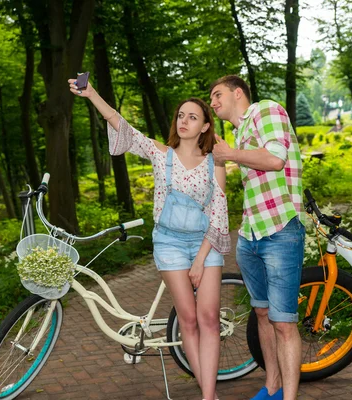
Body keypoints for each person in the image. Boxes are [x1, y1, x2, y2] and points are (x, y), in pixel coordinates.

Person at [69, 79, 230, 400]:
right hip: (169, 245)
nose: (184, 121)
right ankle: (209, 397)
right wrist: (92, 94)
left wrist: (200, 260)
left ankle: (208, 395)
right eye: (180, 115)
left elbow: (219, 213)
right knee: (187, 319)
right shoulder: (161, 154)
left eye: (192, 117)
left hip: (204, 244)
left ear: (205, 126)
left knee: (209, 318)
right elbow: (122, 126)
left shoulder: (216, 163)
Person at [209, 75, 305, 400]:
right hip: (251, 234)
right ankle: (272, 388)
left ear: (238, 93)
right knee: (262, 314)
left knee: (283, 322)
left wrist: (231, 154)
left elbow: (275, 159)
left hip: (280, 231)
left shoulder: (266, 111)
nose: (212, 102)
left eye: (217, 95)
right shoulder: (237, 133)